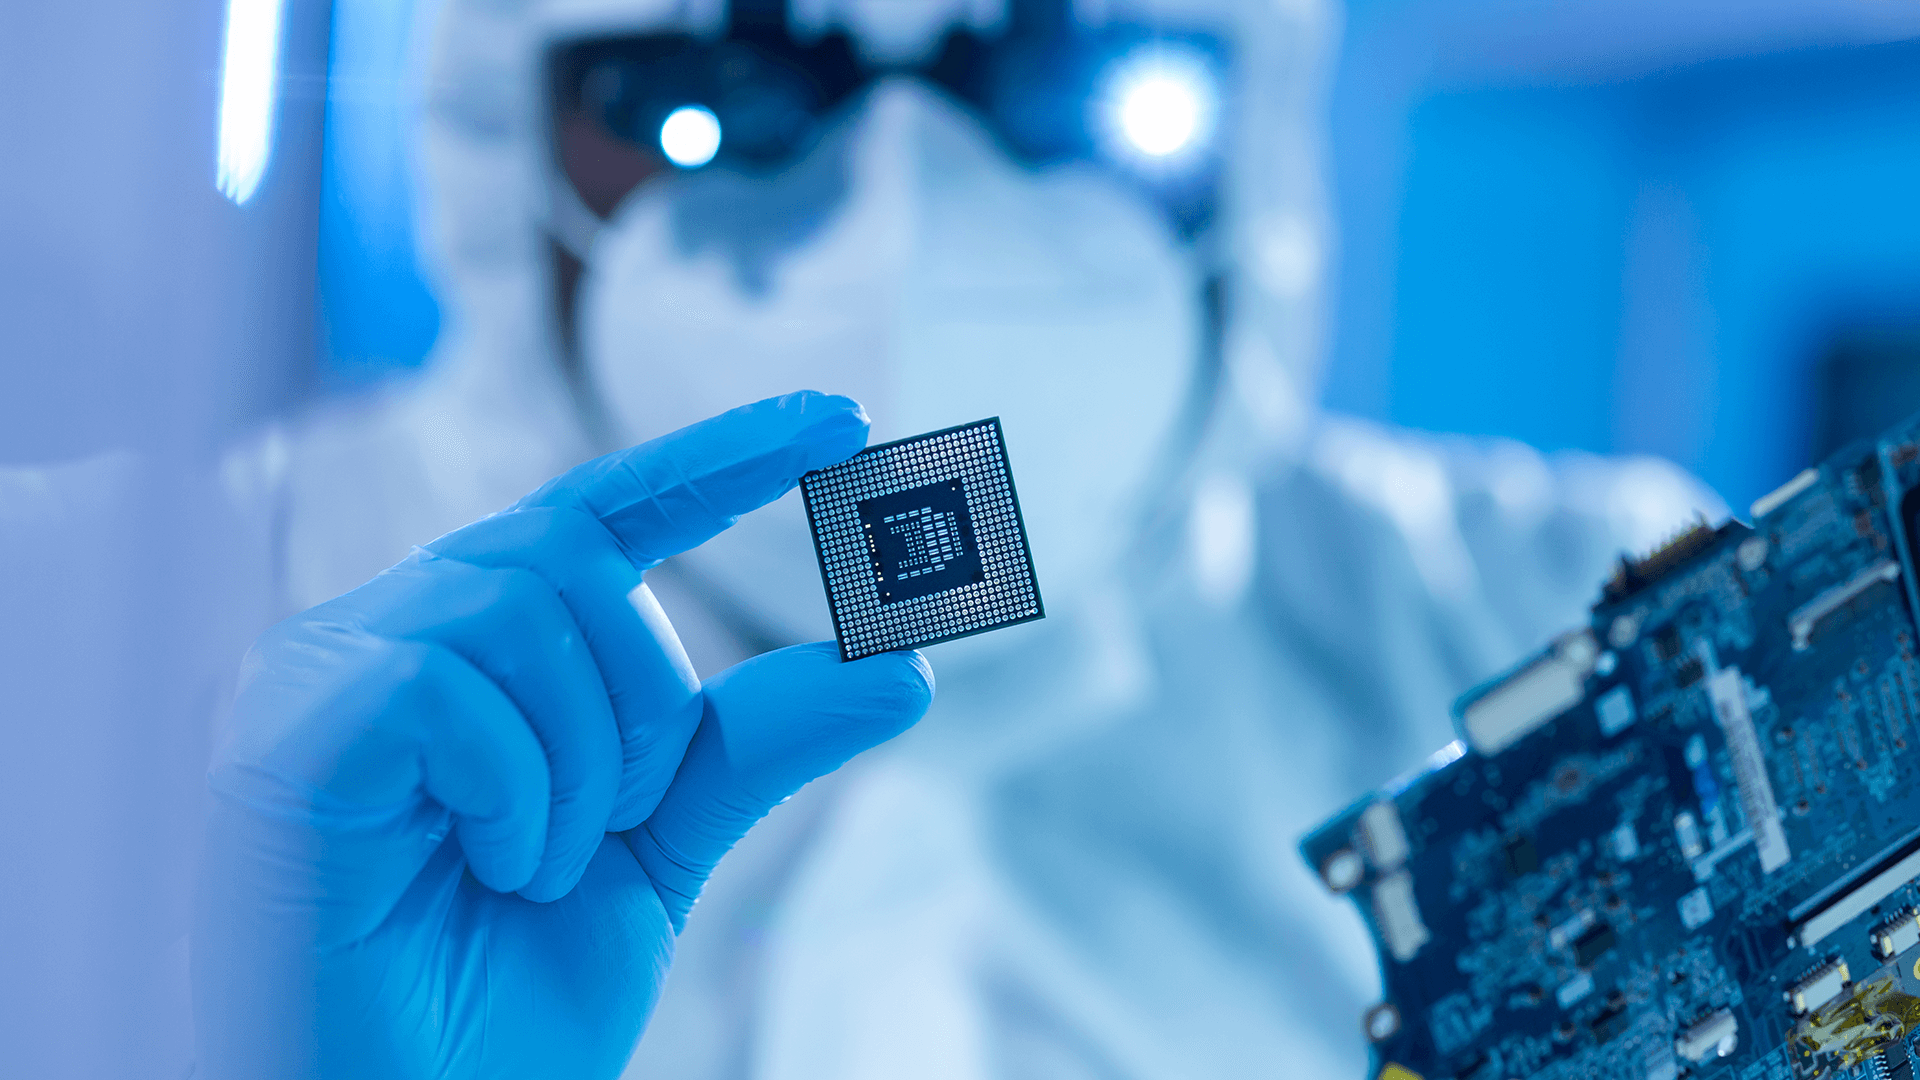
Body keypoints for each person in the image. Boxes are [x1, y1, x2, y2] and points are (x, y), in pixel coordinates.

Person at [202, 0, 1725, 1075]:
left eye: (1065, 74)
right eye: (718, 88)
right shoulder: (131, 609)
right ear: (501, 126)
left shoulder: (1568, 610)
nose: (899, 223)